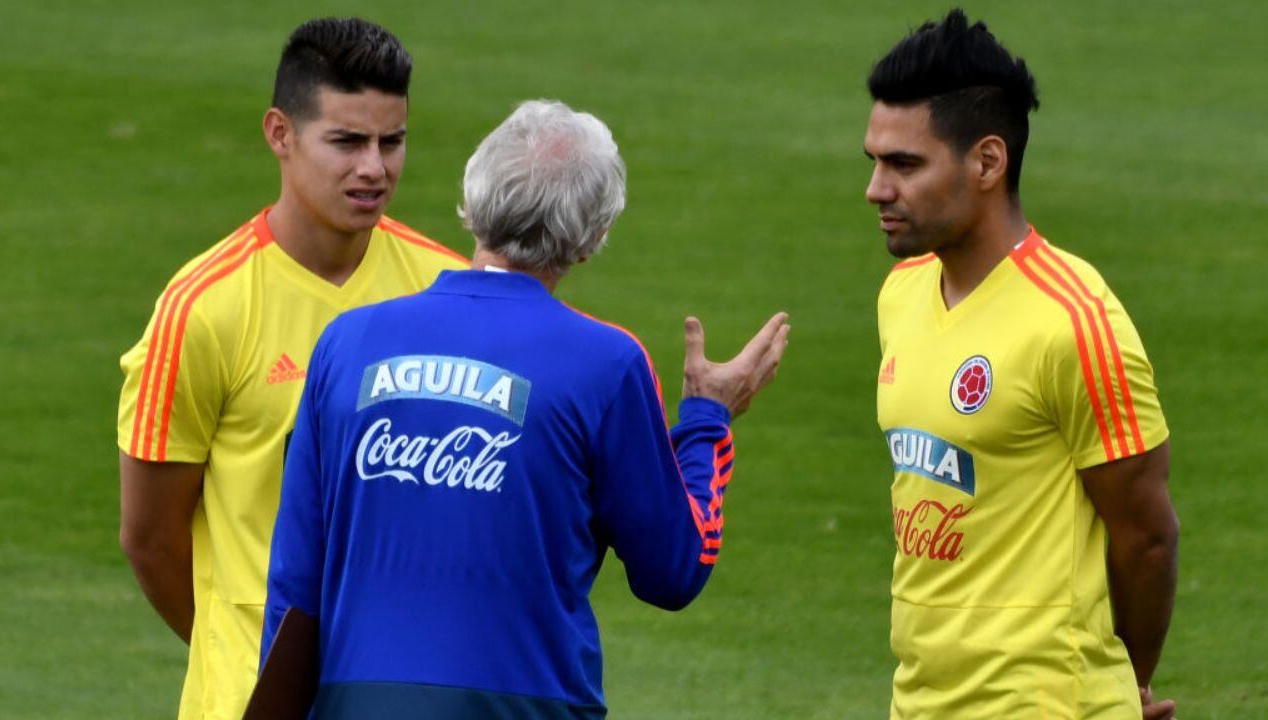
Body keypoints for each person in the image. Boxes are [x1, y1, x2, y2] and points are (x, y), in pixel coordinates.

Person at [261, 99, 790, 718]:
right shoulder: (606, 363)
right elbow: (673, 571)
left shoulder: (346, 344)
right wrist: (705, 419)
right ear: (593, 236)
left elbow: (294, 583)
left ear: (474, 200)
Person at [116, 18, 467, 719]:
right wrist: (241, 653)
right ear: (280, 134)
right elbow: (150, 539)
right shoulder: (203, 309)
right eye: (346, 141)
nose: (375, 167)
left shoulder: (445, 288)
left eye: (391, 142)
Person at [864, 9, 1179, 720]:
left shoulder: (1075, 322)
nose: (877, 189)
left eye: (904, 164)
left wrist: (1125, 688)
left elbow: (1148, 537)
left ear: (987, 162)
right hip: (919, 703)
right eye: (875, 162)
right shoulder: (903, 294)